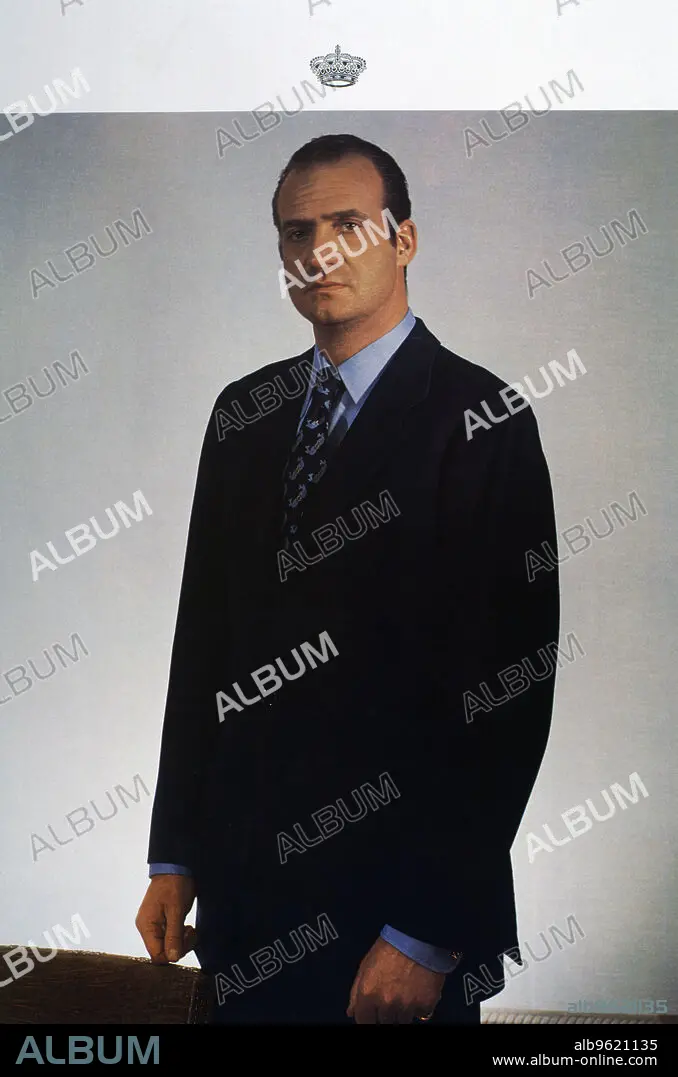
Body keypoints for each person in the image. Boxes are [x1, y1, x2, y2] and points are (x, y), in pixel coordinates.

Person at [135, 133, 560, 1025]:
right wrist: (174, 852)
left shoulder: (484, 419)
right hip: (247, 908)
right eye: (297, 232)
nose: (319, 251)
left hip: (394, 919)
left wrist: (426, 932)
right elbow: (203, 644)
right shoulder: (243, 414)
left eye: (347, 225)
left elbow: (509, 697)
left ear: (404, 240)